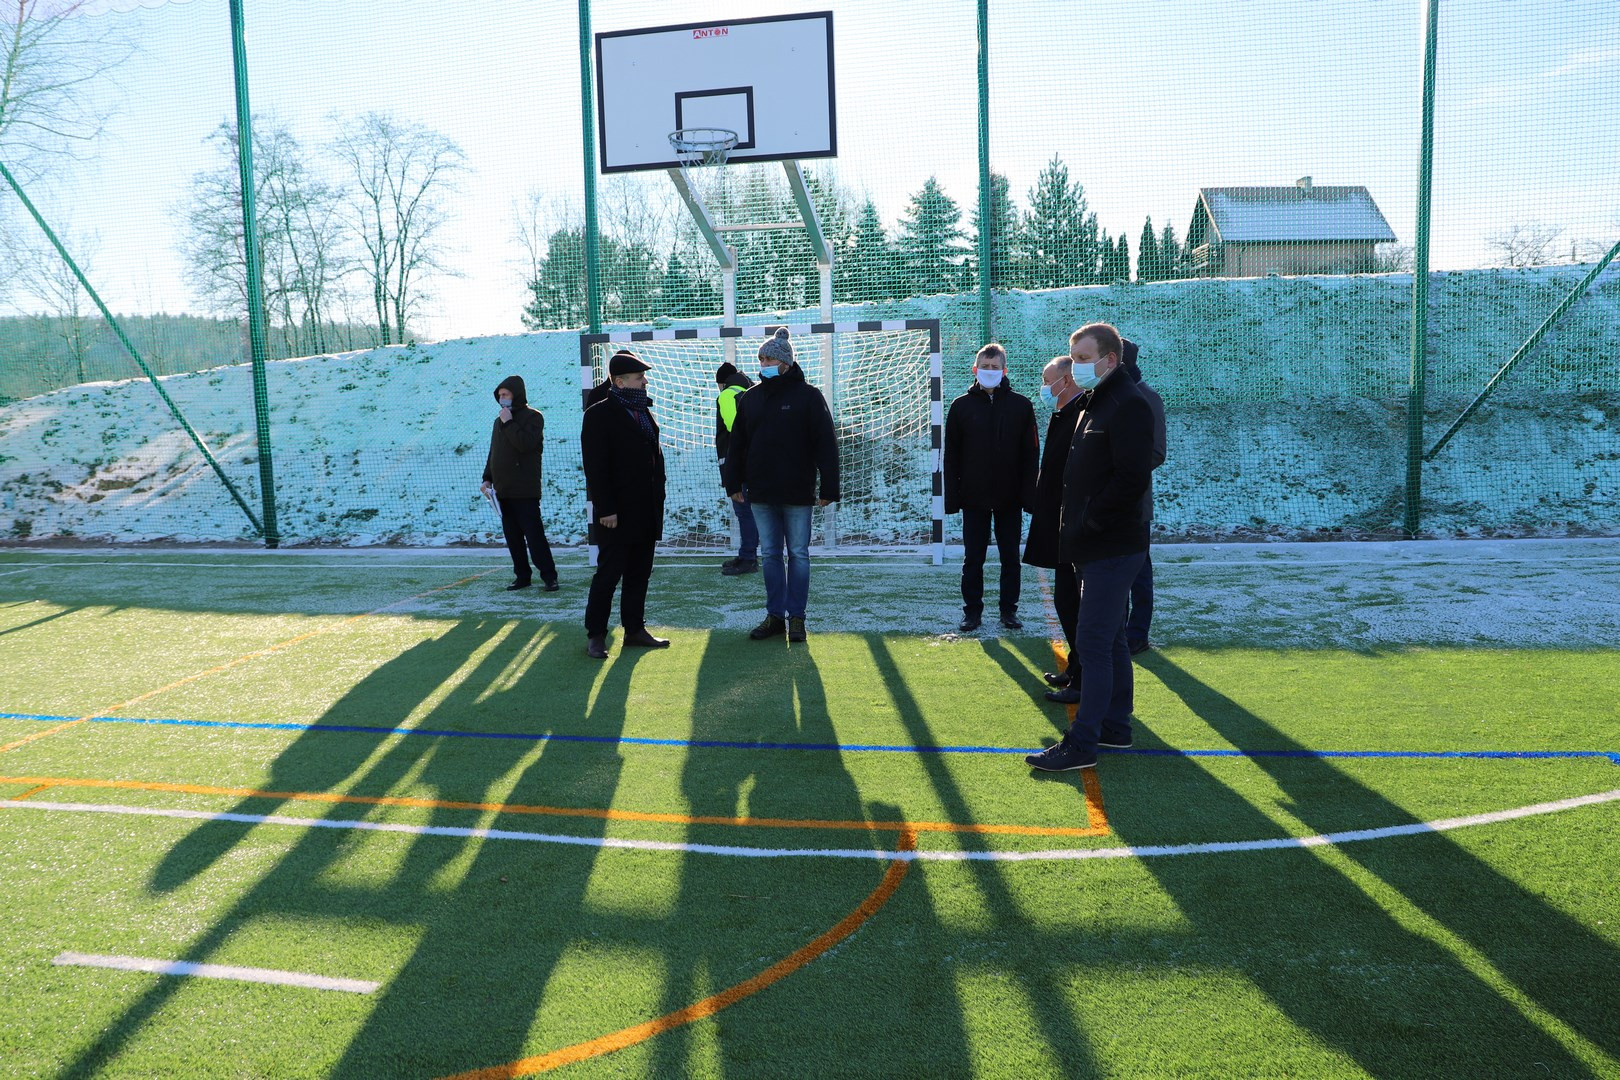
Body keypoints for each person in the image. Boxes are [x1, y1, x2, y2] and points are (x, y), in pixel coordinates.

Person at [1027, 322, 1154, 773]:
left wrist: (1092, 520)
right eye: (1074, 357)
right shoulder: (1095, 400)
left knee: (1094, 641)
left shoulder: (1128, 404)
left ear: (1110, 359)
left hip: (1111, 544)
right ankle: (1115, 727)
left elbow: (1132, 478)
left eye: (1083, 359)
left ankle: (1082, 744)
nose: (1076, 367)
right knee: (1110, 638)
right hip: (1092, 543)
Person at [724, 327, 838, 644]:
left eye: (770, 359)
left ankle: (797, 618)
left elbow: (826, 443)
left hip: (797, 493)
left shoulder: (809, 397)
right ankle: (775, 616)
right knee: (771, 555)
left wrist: (829, 487)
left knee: (798, 554)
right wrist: (733, 482)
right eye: (761, 359)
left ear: (786, 362)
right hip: (760, 493)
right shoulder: (750, 398)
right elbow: (737, 445)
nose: (764, 364)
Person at [581, 349, 670, 660]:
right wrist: (605, 508)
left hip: (646, 508)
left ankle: (634, 630)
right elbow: (595, 467)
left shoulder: (643, 410)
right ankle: (596, 635)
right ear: (619, 382)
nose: (644, 381)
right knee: (608, 575)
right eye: (638, 377)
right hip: (616, 513)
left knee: (639, 572)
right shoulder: (598, 414)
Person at [943, 342, 1039, 632]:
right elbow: (951, 455)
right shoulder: (960, 406)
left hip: (1010, 498)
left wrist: (1029, 496)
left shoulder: (1022, 406)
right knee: (973, 558)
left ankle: (1009, 611)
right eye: (985, 367)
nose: (989, 371)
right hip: (974, 497)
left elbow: (1031, 454)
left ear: (1004, 371)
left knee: (1011, 558)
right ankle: (972, 612)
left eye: (995, 367)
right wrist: (953, 498)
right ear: (975, 369)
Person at [1022, 354, 1086, 685]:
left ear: (1067, 380)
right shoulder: (1063, 413)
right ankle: (1076, 667)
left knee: (1074, 603)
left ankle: (1082, 675)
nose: (1044, 388)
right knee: (1065, 601)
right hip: (1059, 526)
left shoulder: (1081, 415)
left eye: (1048, 381)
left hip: (1073, 529)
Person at [480, 375, 558, 592]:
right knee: (513, 538)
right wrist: (487, 478)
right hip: (503, 490)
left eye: (505, 394)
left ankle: (549, 576)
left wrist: (509, 423)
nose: (502, 398)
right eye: (499, 395)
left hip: (525, 490)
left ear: (516, 394)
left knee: (534, 537)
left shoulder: (533, 417)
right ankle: (522, 576)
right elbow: (494, 453)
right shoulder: (498, 421)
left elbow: (525, 444)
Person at [1121, 341, 1167, 655]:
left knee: (1138, 571)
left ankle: (1137, 633)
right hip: (1106, 502)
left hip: (1134, 502)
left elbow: (1156, 452)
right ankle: (1118, 629)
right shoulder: (1107, 395)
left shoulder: (1147, 398)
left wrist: (1117, 472)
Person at [714, 362, 759, 576]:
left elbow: (735, 427)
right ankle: (747, 554)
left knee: (744, 511)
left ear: (722, 382)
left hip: (738, 462)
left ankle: (748, 558)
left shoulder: (727, 395)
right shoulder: (752, 391)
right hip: (755, 461)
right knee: (752, 511)